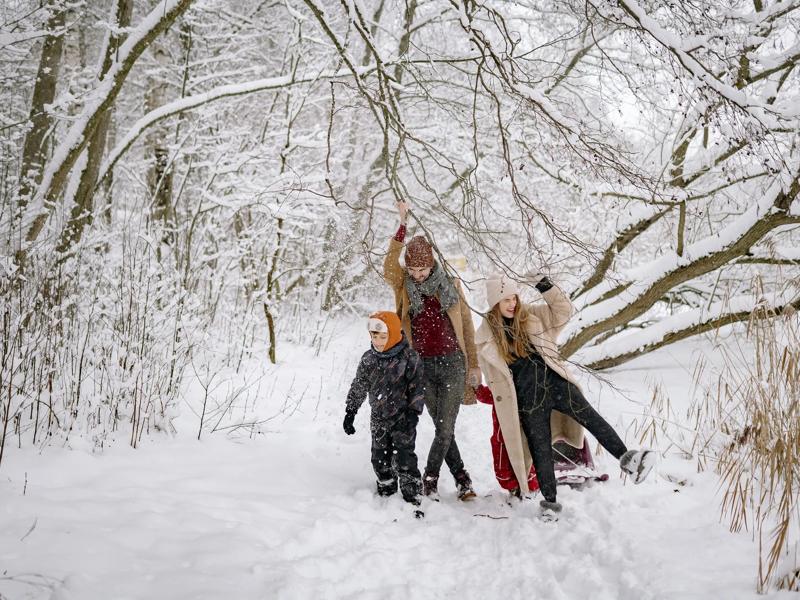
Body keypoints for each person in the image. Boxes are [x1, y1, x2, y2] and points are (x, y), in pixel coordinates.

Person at [474, 272, 654, 518]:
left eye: (514, 298)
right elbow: (494, 382)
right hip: (527, 400)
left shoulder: (533, 316)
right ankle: (550, 504)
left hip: (556, 384)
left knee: (589, 416)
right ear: (494, 303)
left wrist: (543, 284)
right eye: (505, 300)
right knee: (541, 451)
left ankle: (628, 459)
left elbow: (563, 310)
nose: (512, 304)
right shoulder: (486, 338)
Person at [383, 200, 480, 500]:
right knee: (442, 427)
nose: (418, 275)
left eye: (423, 269)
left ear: (432, 265)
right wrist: (402, 225)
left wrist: (473, 365)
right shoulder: (403, 287)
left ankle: (431, 477)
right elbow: (389, 267)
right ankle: (462, 479)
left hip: (452, 363)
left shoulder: (449, 284)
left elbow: (466, 326)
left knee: (445, 426)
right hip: (421, 365)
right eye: (413, 269)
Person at [343, 311, 425, 510]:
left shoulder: (409, 357)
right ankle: (386, 488)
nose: (378, 342)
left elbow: (417, 387)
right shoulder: (369, 359)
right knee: (379, 456)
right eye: (374, 336)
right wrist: (351, 411)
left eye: (383, 336)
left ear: (395, 333)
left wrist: (413, 413)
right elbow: (360, 385)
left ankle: (411, 493)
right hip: (378, 417)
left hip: (403, 417)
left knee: (405, 457)